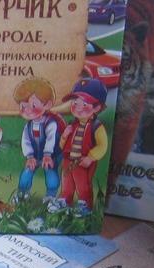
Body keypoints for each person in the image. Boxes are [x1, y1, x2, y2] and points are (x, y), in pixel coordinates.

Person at [53, 77, 109, 216]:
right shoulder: (72, 125)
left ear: (97, 107)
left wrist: (91, 157)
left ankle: (85, 205)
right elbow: (62, 146)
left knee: (82, 183)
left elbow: (102, 145)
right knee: (67, 181)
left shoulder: (97, 127)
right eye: (75, 103)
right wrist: (64, 136)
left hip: (84, 161)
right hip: (68, 160)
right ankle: (64, 200)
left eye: (84, 104)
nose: (78, 108)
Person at [11, 77, 63, 207]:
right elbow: (26, 141)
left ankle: (51, 196)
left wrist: (47, 155)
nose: (27, 109)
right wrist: (30, 156)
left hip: (52, 154)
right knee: (27, 171)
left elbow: (51, 139)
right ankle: (22, 194)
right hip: (35, 155)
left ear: (47, 105)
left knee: (51, 172)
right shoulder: (28, 125)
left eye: (33, 105)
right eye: (23, 106)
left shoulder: (50, 123)